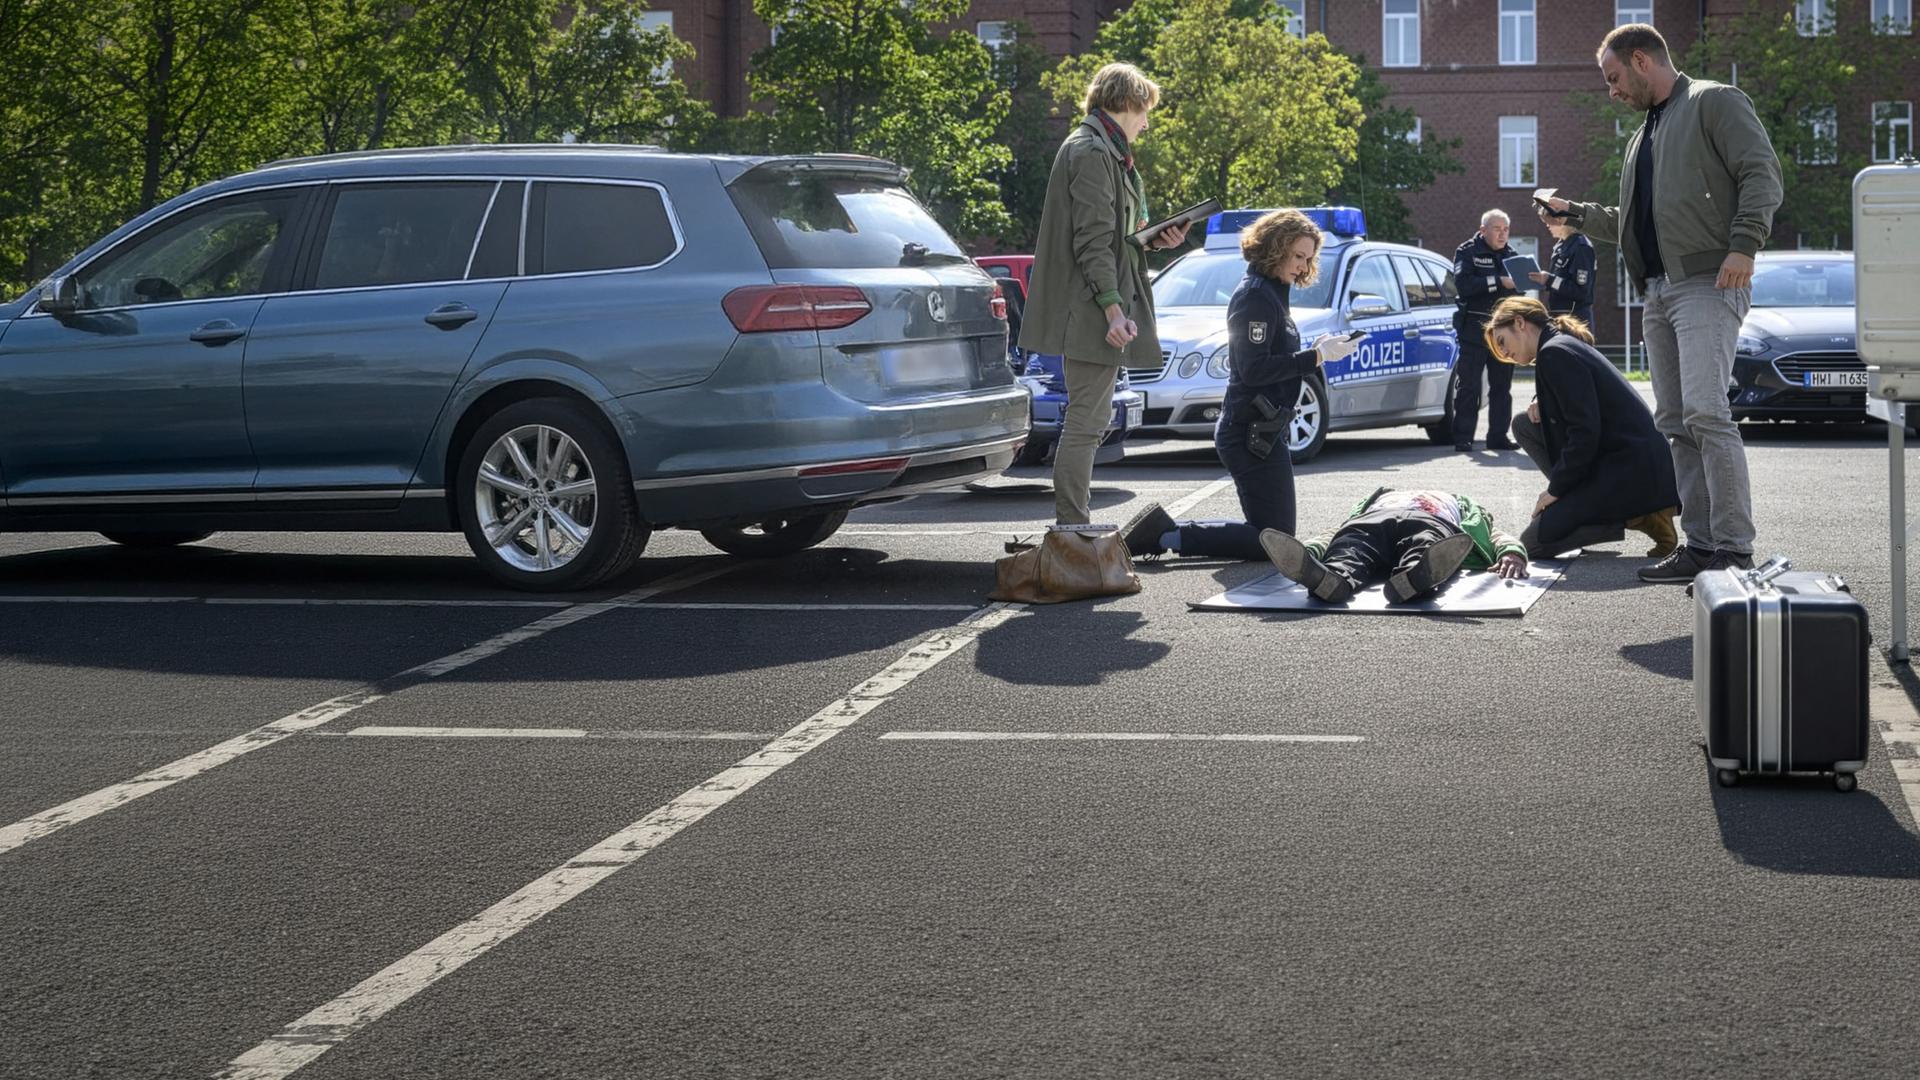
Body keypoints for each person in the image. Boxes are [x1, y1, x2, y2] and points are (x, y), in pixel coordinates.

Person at [1542, 22, 1782, 583]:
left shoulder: (1713, 102)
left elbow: (1761, 173)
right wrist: (1574, 214)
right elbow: (1635, 225)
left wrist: (1744, 245)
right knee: (1675, 421)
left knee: (1706, 412)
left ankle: (1735, 549)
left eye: (1614, 78)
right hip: (1656, 291)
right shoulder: (1642, 136)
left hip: (1708, 283)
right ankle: (1701, 546)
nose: (1612, 91)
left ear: (1642, 60)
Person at [1122, 211, 1362, 561]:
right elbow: (1252, 369)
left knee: (1273, 535)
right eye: (1298, 256)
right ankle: (1166, 536)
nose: (1303, 266)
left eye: (1309, 258)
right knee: (1275, 538)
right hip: (1249, 432)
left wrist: (1318, 346)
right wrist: (1316, 357)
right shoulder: (1256, 295)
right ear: (1274, 249)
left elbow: (1271, 353)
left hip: (1262, 429)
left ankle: (1168, 534)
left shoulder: (1272, 292)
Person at [1020, 63, 1188, 526]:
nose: (1147, 122)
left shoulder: (1105, 149)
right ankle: (1072, 526)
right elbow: (1092, 241)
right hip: (1090, 310)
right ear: (1125, 103)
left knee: (1089, 421)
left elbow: (1116, 236)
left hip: (1094, 305)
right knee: (1086, 422)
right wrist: (1114, 313)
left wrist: (1155, 239)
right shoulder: (1092, 151)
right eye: (1144, 111)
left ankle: (1074, 523)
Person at [1484, 297, 1680, 561]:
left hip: (1630, 473)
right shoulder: (1558, 346)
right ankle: (1611, 510)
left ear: (1520, 323)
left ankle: (1638, 515)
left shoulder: (1555, 353)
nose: (1504, 353)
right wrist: (1541, 403)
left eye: (1502, 342)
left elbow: (1584, 432)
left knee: (1531, 545)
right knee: (1523, 424)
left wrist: (1555, 492)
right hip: (1621, 465)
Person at [1259, 488, 1530, 606]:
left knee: (1424, 545)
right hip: (1375, 520)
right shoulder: (1376, 499)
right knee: (1351, 547)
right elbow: (1334, 533)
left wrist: (1512, 552)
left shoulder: (1460, 503)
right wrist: (1309, 552)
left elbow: (1495, 534)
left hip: (1430, 521)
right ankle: (1331, 579)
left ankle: (1412, 578)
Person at [1451, 210, 1523, 453]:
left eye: (1506, 230)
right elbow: (1464, 285)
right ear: (1483, 230)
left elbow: (1519, 293)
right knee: (1469, 386)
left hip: (1503, 333)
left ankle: (1498, 437)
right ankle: (1463, 438)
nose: (1502, 234)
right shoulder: (1467, 251)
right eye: (1497, 229)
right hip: (1474, 329)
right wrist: (1498, 282)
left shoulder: (1512, 256)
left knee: (1502, 386)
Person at [1528, 211, 1596, 326]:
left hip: (1576, 320)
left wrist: (1549, 280)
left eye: (1549, 222)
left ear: (1561, 222)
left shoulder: (1581, 247)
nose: (1547, 225)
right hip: (1559, 316)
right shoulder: (1560, 245)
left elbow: (1581, 291)